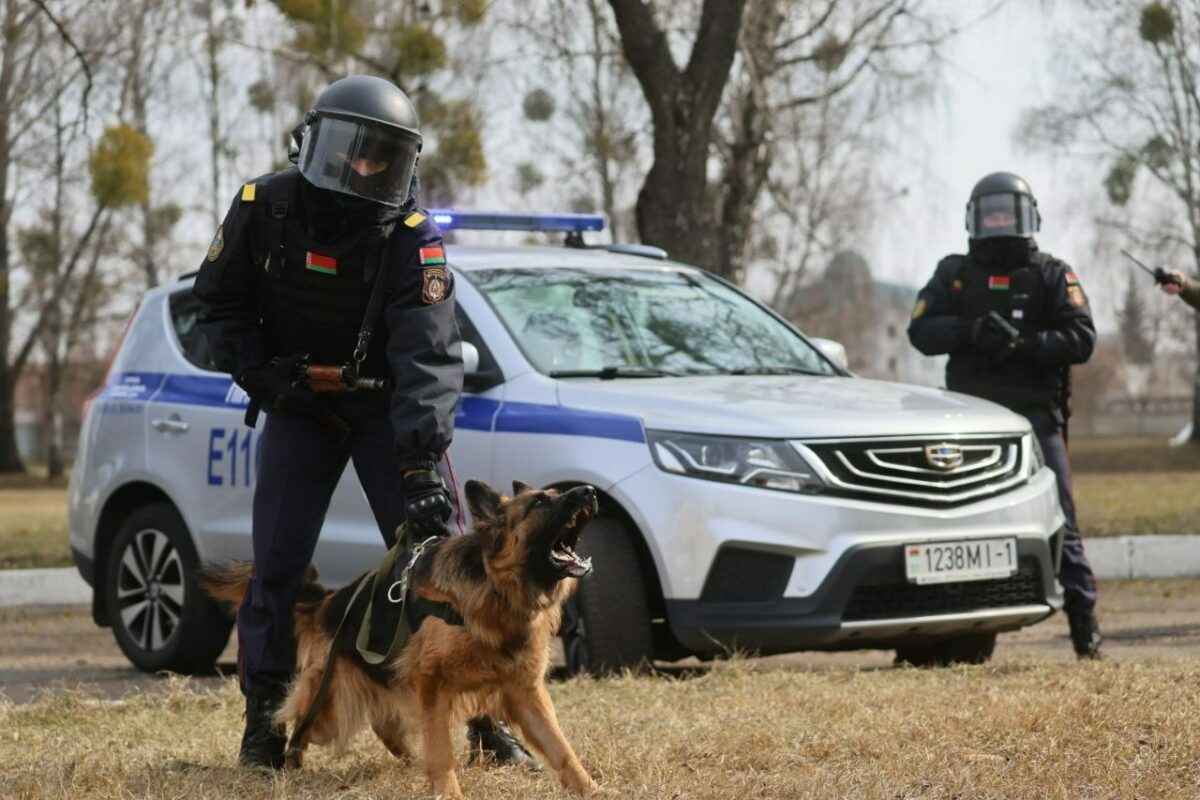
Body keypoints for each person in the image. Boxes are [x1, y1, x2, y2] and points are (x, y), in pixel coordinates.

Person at [195, 75, 533, 769]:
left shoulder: (413, 237)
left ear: (404, 162)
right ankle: (264, 723)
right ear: (312, 142)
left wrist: (418, 457)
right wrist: (266, 377)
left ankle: (483, 727)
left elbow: (428, 353)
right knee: (278, 569)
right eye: (352, 149)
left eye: (382, 156)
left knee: (443, 570)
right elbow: (218, 309)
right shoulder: (265, 206)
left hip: (387, 414)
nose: (363, 167)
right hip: (299, 407)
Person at [907, 171, 1103, 660]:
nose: (998, 222)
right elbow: (921, 332)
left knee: (1063, 522)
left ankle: (1087, 632)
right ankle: (944, 638)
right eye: (990, 214)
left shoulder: (1053, 274)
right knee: (954, 527)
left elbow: (1082, 338)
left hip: (1037, 419)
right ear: (975, 219)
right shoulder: (954, 272)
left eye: (1005, 213)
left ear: (1026, 217)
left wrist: (1028, 345)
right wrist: (970, 331)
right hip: (970, 422)